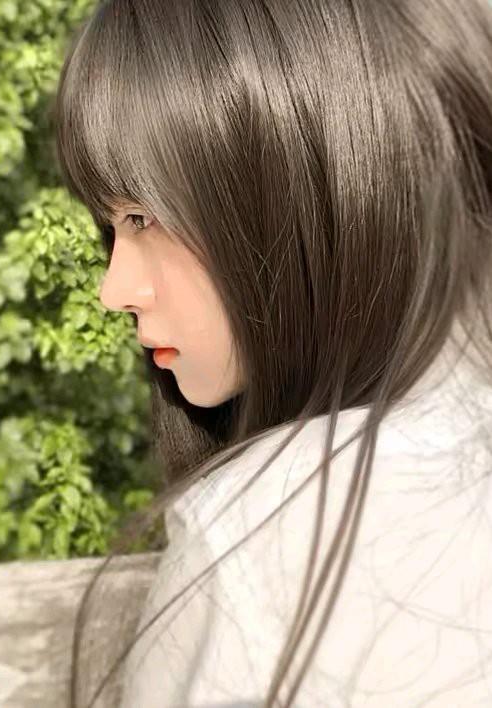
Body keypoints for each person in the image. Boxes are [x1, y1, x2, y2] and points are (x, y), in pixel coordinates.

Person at [51, 0, 492, 705]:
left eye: (142, 216)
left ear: (298, 179)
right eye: (113, 227)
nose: (116, 289)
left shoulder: (256, 536)